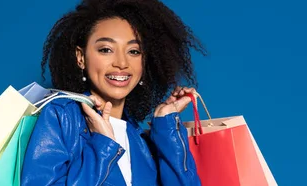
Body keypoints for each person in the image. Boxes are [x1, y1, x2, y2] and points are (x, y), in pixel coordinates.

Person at [22, 0, 206, 185]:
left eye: (134, 51)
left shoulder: (139, 139)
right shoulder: (61, 116)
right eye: (106, 49)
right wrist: (103, 145)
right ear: (81, 58)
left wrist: (166, 125)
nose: (121, 62)